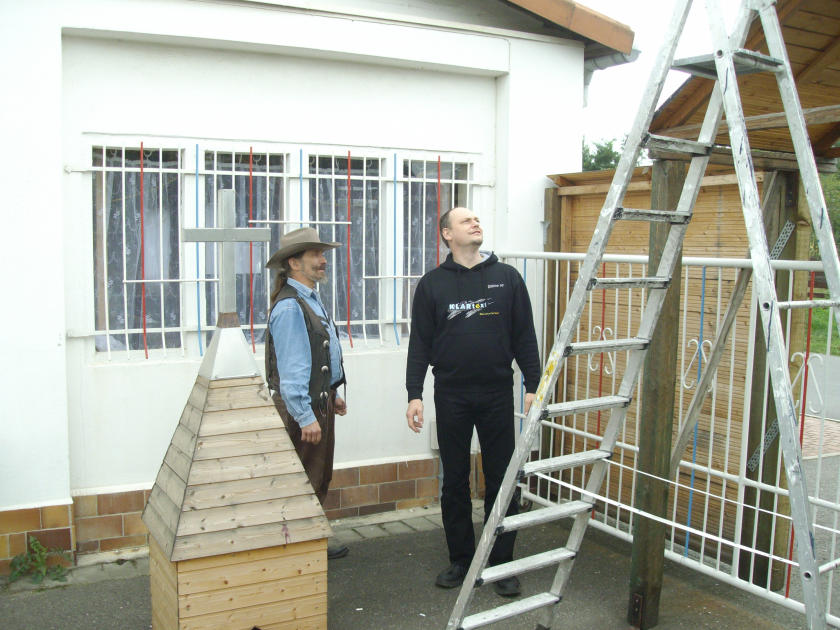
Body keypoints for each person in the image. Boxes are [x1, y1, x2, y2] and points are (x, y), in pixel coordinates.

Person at [405, 207, 541, 597]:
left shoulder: (507, 278)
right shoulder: (432, 285)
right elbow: (420, 343)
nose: (475, 223)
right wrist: (414, 394)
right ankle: (461, 560)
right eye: (466, 221)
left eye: (477, 219)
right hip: (452, 395)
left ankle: (501, 563)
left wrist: (534, 384)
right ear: (447, 234)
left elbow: (524, 336)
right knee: (455, 481)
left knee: (502, 480)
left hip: (497, 394)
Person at [265, 226, 349, 560]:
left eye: (322, 253)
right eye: (315, 254)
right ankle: (297, 556)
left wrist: (332, 392)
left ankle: (307, 546)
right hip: (304, 411)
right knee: (303, 482)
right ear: (294, 262)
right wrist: (304, 416)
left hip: (318, 404)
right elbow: (292, 370)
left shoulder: (307, 299)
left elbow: (318, 357)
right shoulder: (290, 307)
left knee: (316, 477)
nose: (322, 260)